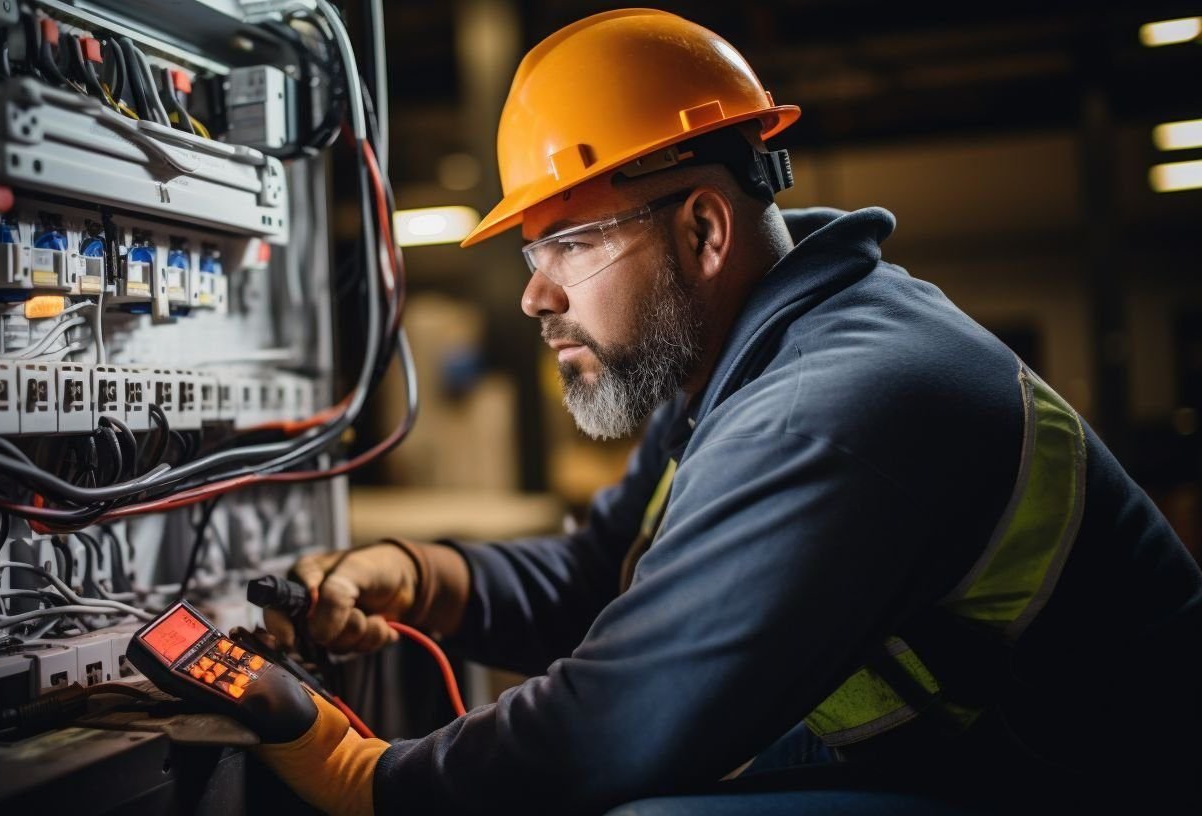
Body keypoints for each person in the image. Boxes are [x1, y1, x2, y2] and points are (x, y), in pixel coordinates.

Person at [246, 9, 1202, 815]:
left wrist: (363, 776)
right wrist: (421, 579)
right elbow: (603, 579)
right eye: (532, 255)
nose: (536, 296)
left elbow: (610, 724)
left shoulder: (831, 408)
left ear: (703, 228)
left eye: (571, 243)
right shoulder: (735, 367)